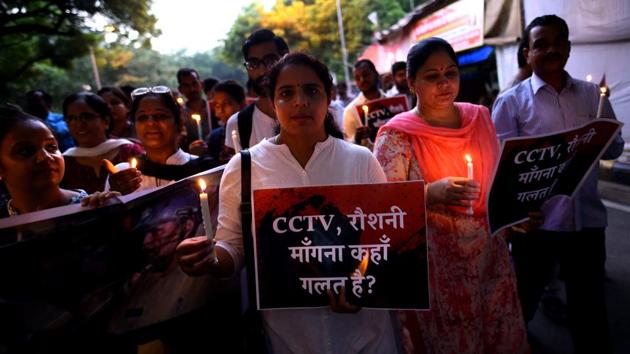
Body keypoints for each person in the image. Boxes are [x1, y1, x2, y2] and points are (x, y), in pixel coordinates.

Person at [175, 53, 398, 353]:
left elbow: (382, 243)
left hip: (366, 337)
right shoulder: (245, 167)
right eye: (286, 93)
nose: (300, 102)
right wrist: (210, 258)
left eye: (311, 91)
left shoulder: (361, 160)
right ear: (271, 101)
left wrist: (360, 281)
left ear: (329, 96)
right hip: (290, 338)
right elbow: (233, 247)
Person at [374, 38, 528, 353]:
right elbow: (382, 207)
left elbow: (498, 179)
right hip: (437, 271)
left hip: (491, 260)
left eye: (451, 73)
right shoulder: (396, 134)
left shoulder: (480, 117)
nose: (444, 83)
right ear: (411, 82)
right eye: (432, 76)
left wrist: (516, 211)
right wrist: (430, 193)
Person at [492, 15, 625, 354]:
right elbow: (502, 171)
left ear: (568, 48)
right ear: (527, 53)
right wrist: (516, 216)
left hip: (587, 223)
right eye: (541, 44)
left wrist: (601, 128)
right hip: (536, 227)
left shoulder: (593, 94)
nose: (551, 49)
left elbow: (613, 149)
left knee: (590, 310)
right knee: (523, 306)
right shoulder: (510, 103)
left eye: (558, 42)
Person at [0, 106, 118, 218]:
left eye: (51, 146)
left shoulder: (92, 209)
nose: (46, 157)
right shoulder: (4, 222)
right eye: (25, 151)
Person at [106, 86, 217, 194]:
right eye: (142, 117)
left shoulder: (203, 169)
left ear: (179, 123)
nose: (150, 123)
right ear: (135, 125)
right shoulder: (122, 176)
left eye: (160, 116)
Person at [60, 92, 144, 194]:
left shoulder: (129, 150)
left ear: (106, 121)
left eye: (86, 117)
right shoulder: (64, 163)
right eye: (72, 118)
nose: (79, 124)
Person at [224, 29, 289, 153]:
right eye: (253, 63)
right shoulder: (238, 123)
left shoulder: (314, 113)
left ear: (286, 58)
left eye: (270, 61)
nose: (262, 71)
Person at [342, 59, 386, 146]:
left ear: (376, 74)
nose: (362, 80)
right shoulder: (350, 111)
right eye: (357, 78)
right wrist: (356, 138)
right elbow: (347, 145)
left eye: (365, 75)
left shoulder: (394, 102)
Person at [207, 80, 246, 164]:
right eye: (217, 105)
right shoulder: (214, 137)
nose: (221, 110)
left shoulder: (251, 130)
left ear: (242, 104)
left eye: (226, 104)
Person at [177, 68, 216, 152]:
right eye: (186, 85)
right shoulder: (178, 115)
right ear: (180, 89)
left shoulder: (216, 107)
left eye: (194, 83)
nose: (192, 89)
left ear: (201, 85)